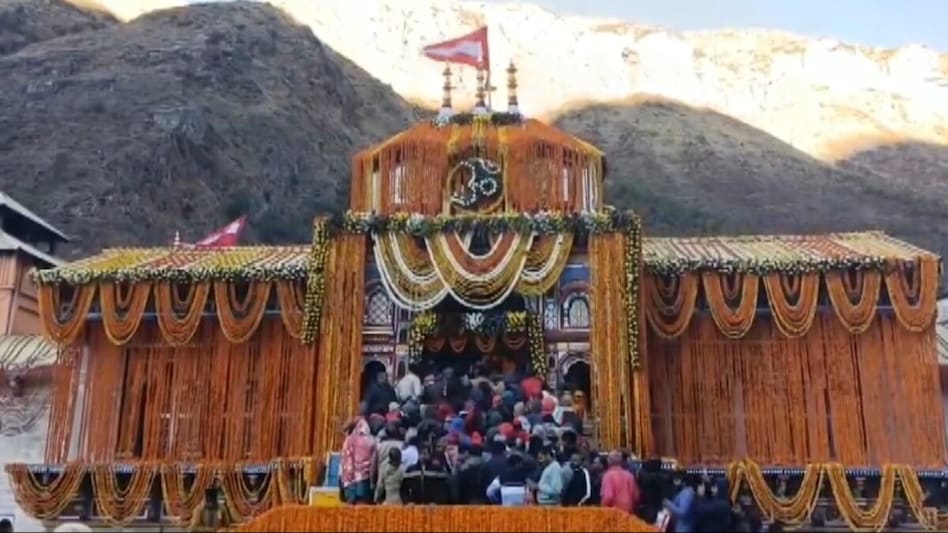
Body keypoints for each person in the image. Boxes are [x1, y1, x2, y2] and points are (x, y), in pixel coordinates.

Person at [341, 418, 376, 504]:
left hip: (348, 479)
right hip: (364, 478)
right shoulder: (371, 441)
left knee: (349, 505)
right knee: (362, 505)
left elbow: (344, 461)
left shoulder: (348, 440)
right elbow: (373, 463)